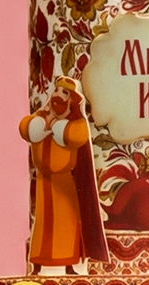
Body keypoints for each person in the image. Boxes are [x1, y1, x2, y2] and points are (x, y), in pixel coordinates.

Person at [22, 77, 109, 273]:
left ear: (72, 100)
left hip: (64, 181)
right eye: (57, 90)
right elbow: (25, 127)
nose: (58, 96)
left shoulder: (74, 122)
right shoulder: (42, 116)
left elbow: (77, 136)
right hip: (43, 181)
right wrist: (42, 124)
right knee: (42, 224)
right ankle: (39, 263)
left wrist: (54, 125)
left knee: (67, 223)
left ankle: (70, 263)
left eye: (65, 93)